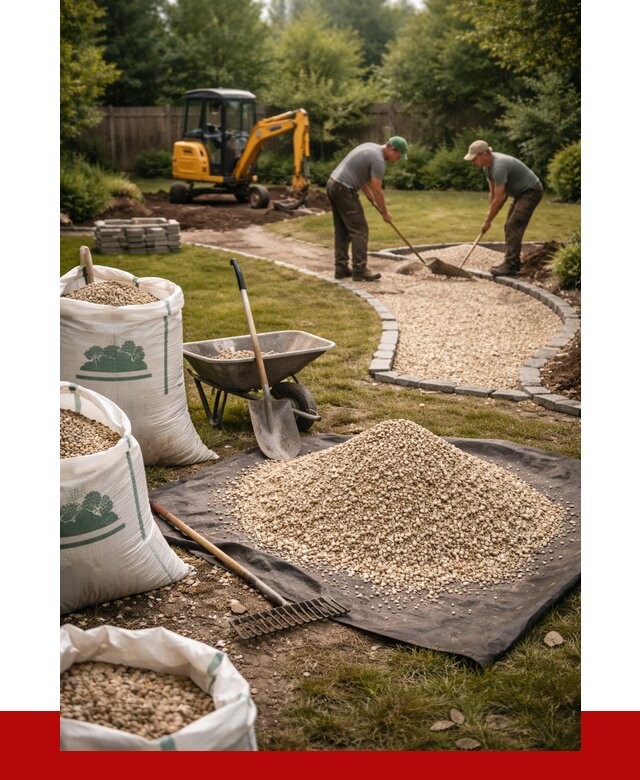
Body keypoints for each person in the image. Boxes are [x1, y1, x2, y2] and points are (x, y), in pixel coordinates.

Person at [327, 136, 408, 281]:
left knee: (342, 231)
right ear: (392, 149)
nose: (397, 159)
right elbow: (378, 190)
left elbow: (362, 176)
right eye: (398, 155)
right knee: (360, 230)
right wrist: (385, 213)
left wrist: (369, 197)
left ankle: (341, 268)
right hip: (344, 189)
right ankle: (360, 270)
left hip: (333, 185)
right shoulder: (378, 160)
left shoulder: (370, 147)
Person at [464, 140, 543, 277]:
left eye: (475, 158)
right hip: (520, 194)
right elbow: (493, 194)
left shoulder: (499, 165)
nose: (473, 162)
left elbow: (501, 198)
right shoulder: (487, 168)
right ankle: (513, 262)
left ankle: (510, 266)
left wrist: (488, 221)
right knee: (509, 226)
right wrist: (489, 215)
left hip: (531, 191)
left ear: (485, 154)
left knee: (513, 225)